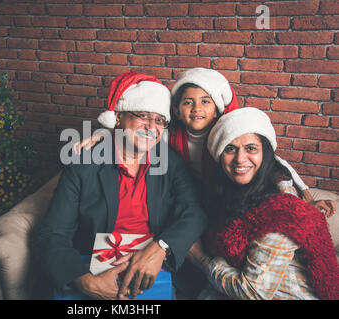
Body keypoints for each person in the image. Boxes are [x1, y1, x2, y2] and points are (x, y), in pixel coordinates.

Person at [34, 72, 207, 300]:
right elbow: (52, 233)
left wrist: (159, 249)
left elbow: (194, 213)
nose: (151, 127)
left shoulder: (170, 162)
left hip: (152, 273)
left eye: (159, 120)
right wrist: (87, 283)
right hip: (93, 269)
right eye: (142, 116)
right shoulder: (84, 163)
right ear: (118, 118)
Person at [75, 68, 335, 217]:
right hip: (184, 198)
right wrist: (103, 134)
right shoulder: (167, 133)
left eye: (205, 102)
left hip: (220, 198)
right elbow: (139, 135)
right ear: (176, 111)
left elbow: (277, 165)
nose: (197, 108)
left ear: (217, 110)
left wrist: (307, 199)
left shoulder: (229, 135)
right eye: (188, 102)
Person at [187, 107, 339, 300]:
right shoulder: (229, 193)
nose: (240, 159)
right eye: (230, 149)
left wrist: (200, 258)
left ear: (265, 154)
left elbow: (253, 292)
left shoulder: (281, 210)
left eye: (251, 148)